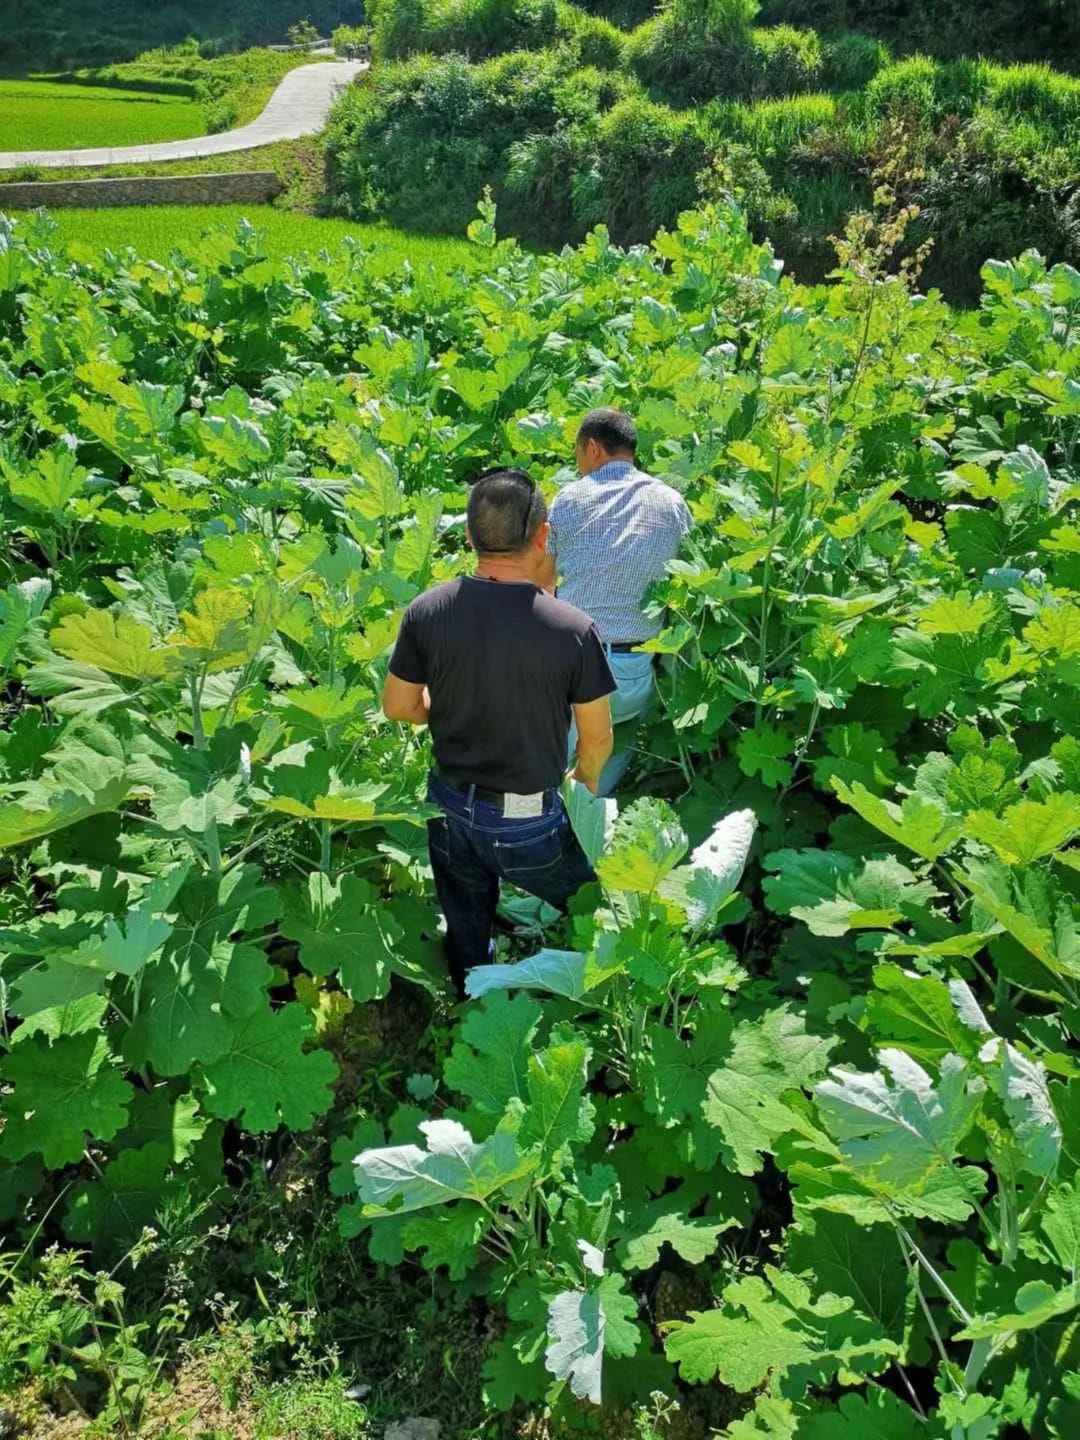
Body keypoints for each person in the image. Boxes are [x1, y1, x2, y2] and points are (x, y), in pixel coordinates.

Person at [382, 467, 616, 997]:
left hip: (445, 804)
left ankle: (473, 995)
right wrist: (582, 784)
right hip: (526, 819)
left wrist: (437, 715)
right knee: (597, 902)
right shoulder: (571, 629)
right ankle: (601, 988)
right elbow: (598, 739)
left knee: (466, 922)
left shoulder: (428, 610)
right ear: (541, 535)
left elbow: (398, 706)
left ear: (469, 537)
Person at [539, 408, 693, 796]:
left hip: (573, 669)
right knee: (599, 777)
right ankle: (592, 828)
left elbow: (542, 589)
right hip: (633, 673)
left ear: (592, 448)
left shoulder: (569, 499)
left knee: (543, 781)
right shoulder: (673, 503)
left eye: (577, 454)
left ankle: (539, 837)